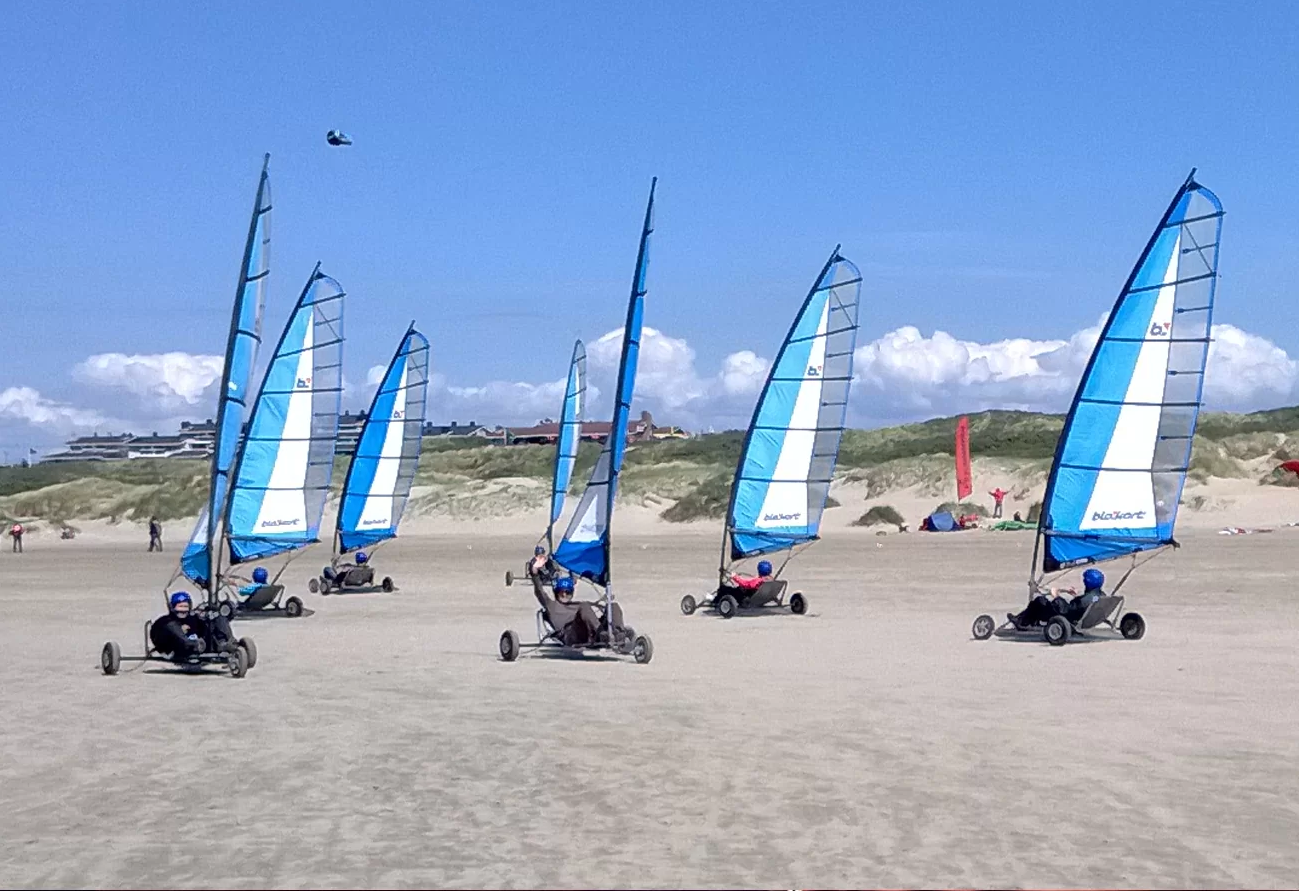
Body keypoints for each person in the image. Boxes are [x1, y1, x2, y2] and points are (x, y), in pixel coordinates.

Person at [529, 563, 623, 646]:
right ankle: (602, 634)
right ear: (556, 593)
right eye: (561, 592)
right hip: (570, 634)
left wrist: (606, 601)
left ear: (572, 593)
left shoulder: (577, 605)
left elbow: (595, 608)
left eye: (567, 592)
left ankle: (619, 633)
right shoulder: (551, 605)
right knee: (584, 606)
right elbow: (539, 592)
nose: (564, 594)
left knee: (613, 606)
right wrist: (534, 573)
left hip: (590, 630)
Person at [150, 591, 235, 662]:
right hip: (176, 649)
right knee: (171, 626)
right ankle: (194, 645)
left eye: (185, 606)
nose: (183, 610)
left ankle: (226, 643)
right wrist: (181, 630)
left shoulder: (192, 618)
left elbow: (204, 626)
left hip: (202, 646)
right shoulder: (166, 621)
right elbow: (158, 635)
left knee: (218, 617)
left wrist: (209, 617)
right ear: (173, 607)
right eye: (180, 606)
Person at [1009, 568, 1107, 629]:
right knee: (1043, 602)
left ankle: (1021, 621)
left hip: (1069, 619)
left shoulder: (1084, 600)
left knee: (1040, 601)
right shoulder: (1100, 595)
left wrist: (1056, 596)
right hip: (1079, 616)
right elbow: (1081, 604)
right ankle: (1028, 621)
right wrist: (1073, 595)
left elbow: (1066, 611)